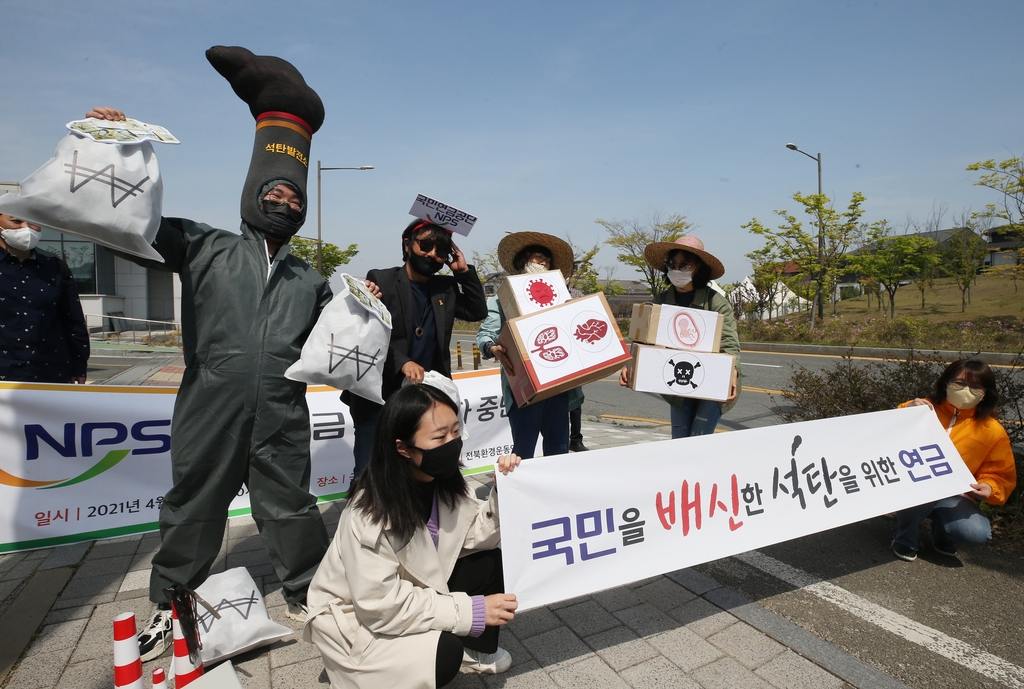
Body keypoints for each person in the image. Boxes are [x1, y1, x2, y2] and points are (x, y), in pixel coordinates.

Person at [86, 46, 372, 659]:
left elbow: (338, 346)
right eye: (276, 192)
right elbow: (128, 218)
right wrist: (109, 144)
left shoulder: (309, 279)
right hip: (210, 404)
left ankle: (305, 591)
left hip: (282, 412)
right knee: (193, 506)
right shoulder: (202, 245)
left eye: (296, 199)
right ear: (251, 192)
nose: (286, 203)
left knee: (292, 507)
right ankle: (171, 603)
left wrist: (367, 308)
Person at [305, 383, 520, 688]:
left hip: (411, 589)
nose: (452, 443)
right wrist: (468, 611)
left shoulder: (444, 481)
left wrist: (503, 489)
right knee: (444, 655)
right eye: (439, 437)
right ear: (403, 447)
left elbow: (475, 533)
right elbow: (379, 603)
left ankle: (476, 648)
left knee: (488, 558)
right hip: (359, 617)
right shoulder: (370, 511)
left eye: (456, 432)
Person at [345, 220, 487, 479]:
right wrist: (401, 362)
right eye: (426, 245)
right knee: (370, 468)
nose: (433, 254)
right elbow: (368, 334)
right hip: (381, 391)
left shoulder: (445, 287)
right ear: (408, 244)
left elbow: (477, 311)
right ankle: (362, 514)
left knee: (423, 469)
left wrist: (463, 272)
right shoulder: (382, 280)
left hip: (427, 396)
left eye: (441, 250)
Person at [891, 359, 1017, 561]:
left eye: (975, 386)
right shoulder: (923, 408)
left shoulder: (993, 431)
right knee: (916, 497)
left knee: (976, 533)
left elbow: (999, 473)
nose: (966, 390)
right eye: (959, 383)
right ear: (945, 383)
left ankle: (942, 533)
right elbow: (886, 433)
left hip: (955, 493)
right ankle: (905, 538)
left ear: (986, 393)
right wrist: (906, 411)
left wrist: (990, 487)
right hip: (915, 483)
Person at [619, 236, 740, 437]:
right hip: (678, 381)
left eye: (684, 265)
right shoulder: (661, 301)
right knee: (680, 439)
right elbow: (643, 339)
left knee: (698, 438)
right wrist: (631, 364)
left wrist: (732, 373)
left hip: (712, 380)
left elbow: (728, 342)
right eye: (672, 265)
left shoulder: (715, 302)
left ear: (697, 268)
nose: (677, 270)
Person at [477, 231, 576, 458]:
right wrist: (493, 349)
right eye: (536, 257)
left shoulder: (560, 296)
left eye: (546, 260)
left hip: (558, 382)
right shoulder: (504, 297)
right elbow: (485, 333)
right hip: (524, 383)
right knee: (523, 451)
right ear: (522, 263)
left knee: (559, 449)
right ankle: (516, 490)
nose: (542, 262)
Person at [0, 214, 89, 383]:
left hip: (51, 373)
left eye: (33, 222)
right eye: (16, 221)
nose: (26, 228)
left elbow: (72, 320)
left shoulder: (55, 267)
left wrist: (79, 365)